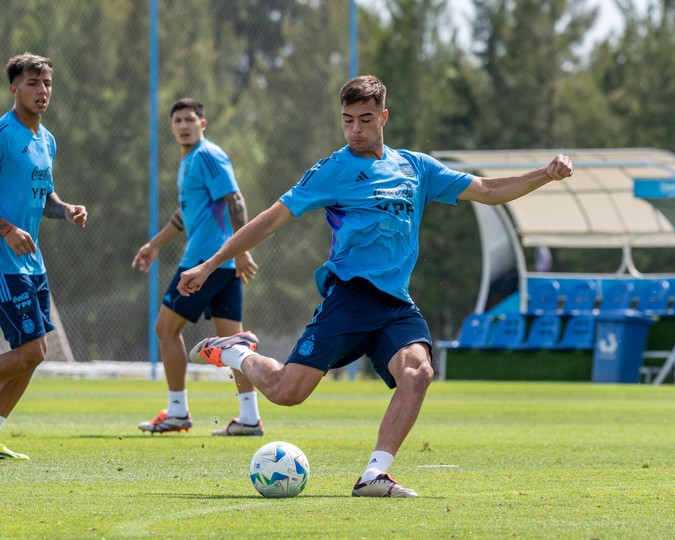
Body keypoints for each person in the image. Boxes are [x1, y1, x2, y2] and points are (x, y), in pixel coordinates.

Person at [178, 75, 574, 496]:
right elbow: (272, 218)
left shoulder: (415, 168)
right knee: (286, 392)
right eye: (348, 120)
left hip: (395, 304)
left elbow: (488, 190)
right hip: (350, 295)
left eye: (366, 120)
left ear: (384, 117)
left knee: (418, 372)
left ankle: (374, 474)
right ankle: (235, 352)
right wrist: (211, 263)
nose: (355, 130)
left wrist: (545, 174)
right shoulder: (333, 169)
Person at [132, 98, 263, 437]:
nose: (184, 125)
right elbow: (184, 216)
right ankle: (249, 418)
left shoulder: (207, 155)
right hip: (221, 262)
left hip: (205, 262)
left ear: (202, 124)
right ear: (172, 127)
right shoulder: (189, 161)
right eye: (178, 120)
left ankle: (177, 412)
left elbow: (235, 200)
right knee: (233, 344)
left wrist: (243, 249)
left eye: (190, 119)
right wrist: (155, 245)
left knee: (165, 329)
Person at [0, 53, 88, 460]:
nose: (42, 91)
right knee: (32, 351)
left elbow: (46, 197)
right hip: (4, 260)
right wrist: (7, 229)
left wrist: (66, 209)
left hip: (32, 262)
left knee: (34, 356)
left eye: (47, 83)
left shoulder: (46, 139)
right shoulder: (3, 133)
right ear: (14, 88)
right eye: (33, 83)